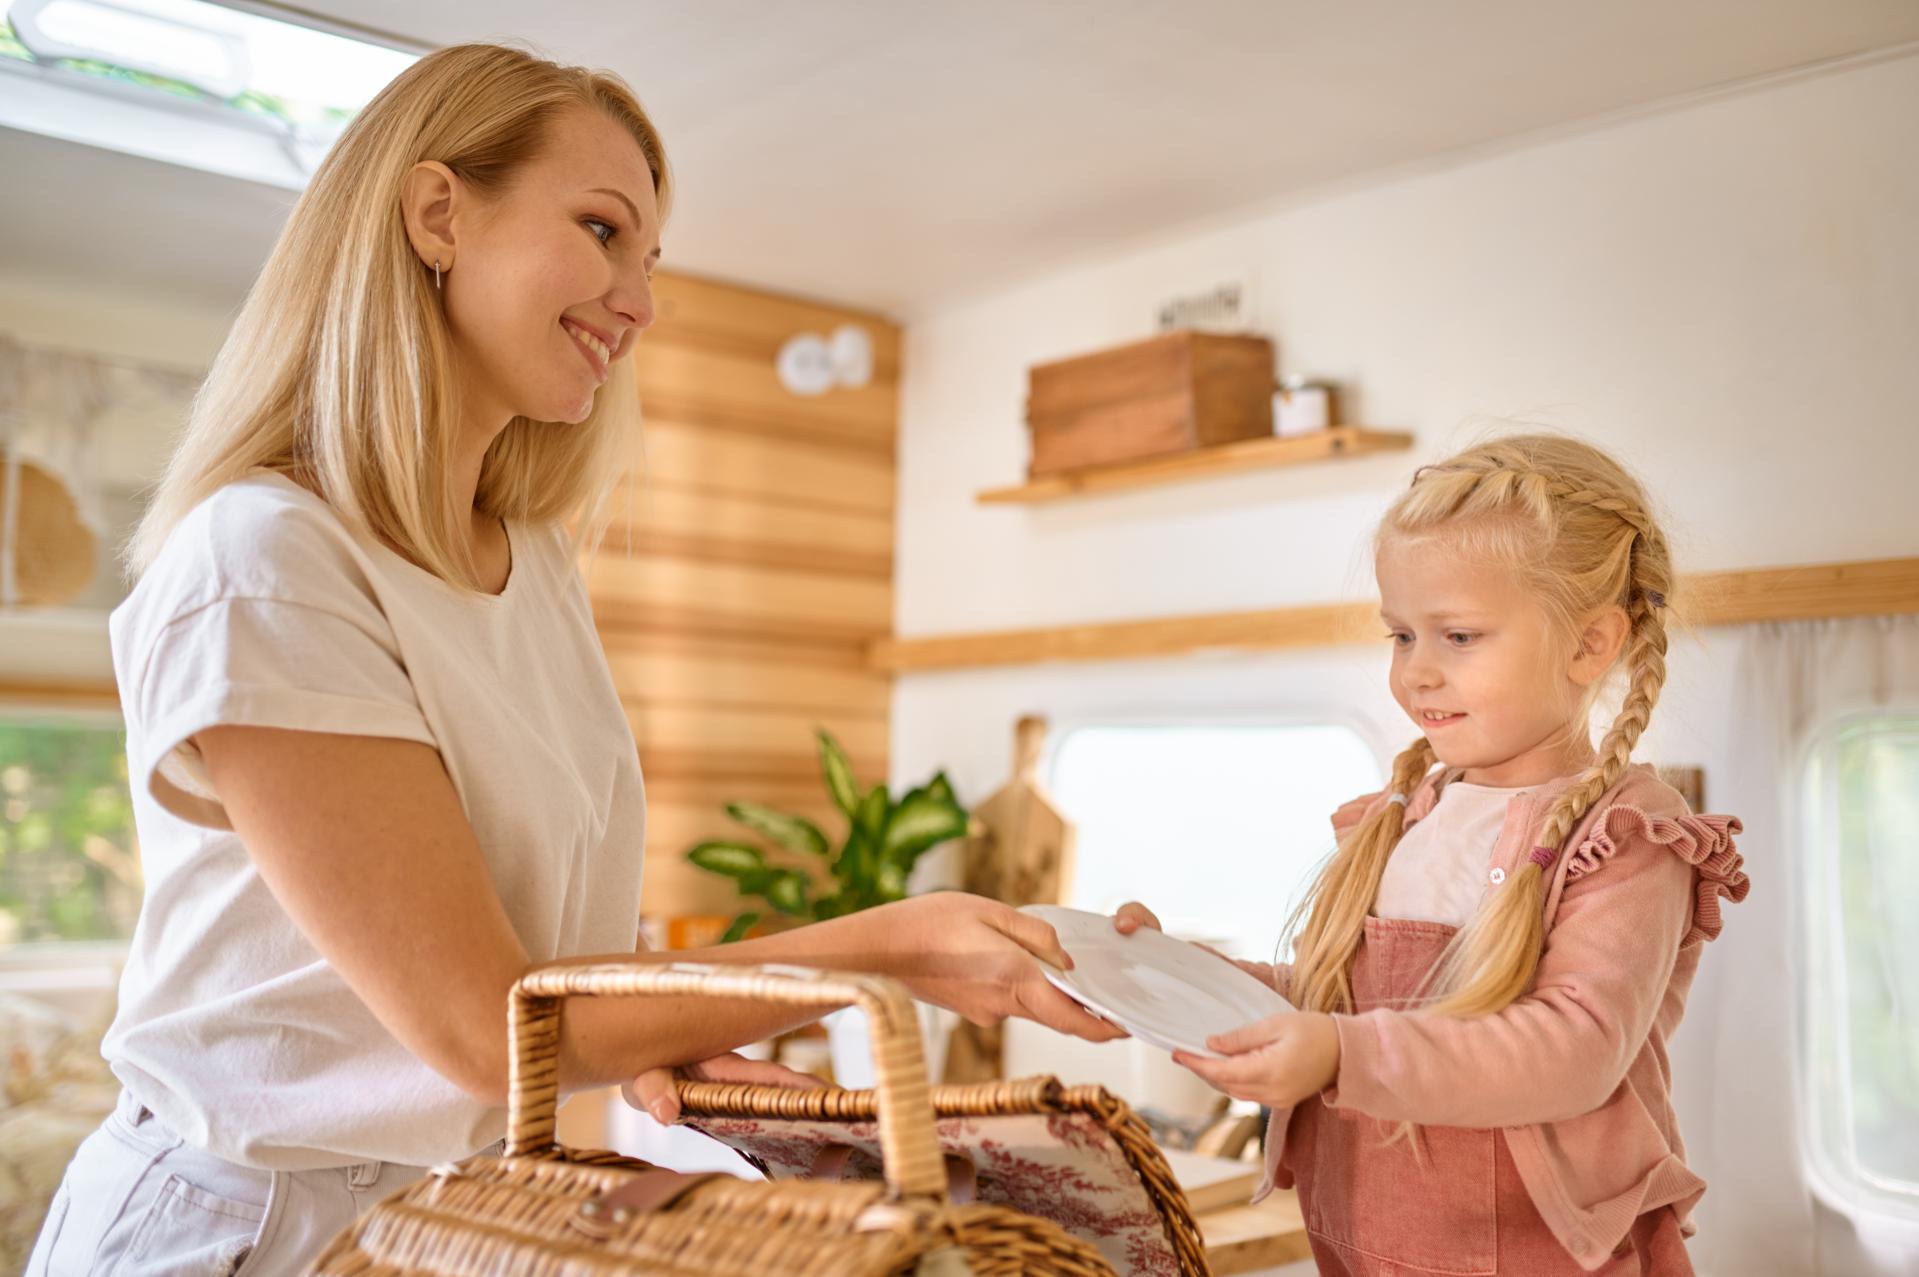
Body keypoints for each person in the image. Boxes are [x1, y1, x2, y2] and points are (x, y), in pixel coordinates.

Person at [28, 42, 1118, 1277]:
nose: (641, 301)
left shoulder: (531, 568)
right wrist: (889, 945)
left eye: (647, 258)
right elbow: (481, 1026)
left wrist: (665, 1041)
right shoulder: (265, 557)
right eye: (603, 230)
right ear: (439, 214)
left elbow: (546, 980)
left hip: (440, 1216)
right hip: (237, 1226)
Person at [1117, 434, 1749, 1274]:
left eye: (1456, 636)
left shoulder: (1629, 834)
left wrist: (1338, 1052)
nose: (1415, 672)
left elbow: (1571, 1049)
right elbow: (1334, 1002)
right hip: (1363, 1243)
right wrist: (1174, 981)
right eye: (1400, 635)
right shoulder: (1400, 817)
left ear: (1589, 645)